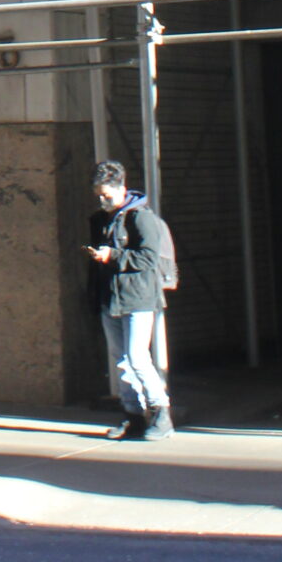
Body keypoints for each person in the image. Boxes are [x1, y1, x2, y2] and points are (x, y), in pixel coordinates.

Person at [88, 158, 173, 439]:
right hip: (110, 298)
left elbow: (148, 258)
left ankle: (161, 413)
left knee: (137, 357)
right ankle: (133, 415)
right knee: (121, 359)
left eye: (107, 195)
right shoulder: (100, 220)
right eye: (98, 194)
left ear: (121, 188)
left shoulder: (141, 217)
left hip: (138, 298)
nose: (102, 200)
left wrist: (111, 255)